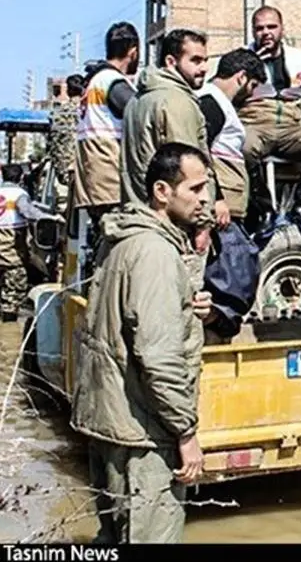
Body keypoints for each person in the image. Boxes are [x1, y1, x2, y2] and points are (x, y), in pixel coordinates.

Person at [70, 142, 212, 544]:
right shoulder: (154, 253)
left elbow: (124, 320)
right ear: (162, 192)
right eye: (196, 189)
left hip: (111, 422)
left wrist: (185, 304)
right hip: (143, 433)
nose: (204, 198)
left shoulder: (123, 240)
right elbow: (158, 356)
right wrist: (186, 433)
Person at [120, 28, 215, 278]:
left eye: (205, 60)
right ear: (171, 62)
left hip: (138, 220)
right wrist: (202, 223)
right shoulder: (176, 102)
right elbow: (189, 174)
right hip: (173, 229)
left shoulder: (137, 100)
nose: (203, 68)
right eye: (195, 60)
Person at [241, 6, 301, 223]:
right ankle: (263, 208)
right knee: (243, 146)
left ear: (282, 29)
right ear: (252, 31)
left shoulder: (299, 58)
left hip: (291, 126)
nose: (266, 32)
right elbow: (221, 90)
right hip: (255, 125)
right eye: (260, 28)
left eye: (271, 27)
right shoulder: (242, 57)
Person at [197, 48, 265, 341]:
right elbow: (200, 153)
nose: (250, 96)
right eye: (251, 87)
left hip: (224, 213)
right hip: (219, 214)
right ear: (241, 77)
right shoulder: (213, 103)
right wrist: (217, 198)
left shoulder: (218, 103)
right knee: (232, 279)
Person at [75, 22, 141, 231]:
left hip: (95, 178)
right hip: (110, 178)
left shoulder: (94, 81)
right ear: (133, 51)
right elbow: (140, 114)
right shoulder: (112, 81)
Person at [0, 163, 44, 321]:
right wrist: (50, 218)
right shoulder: (19, 194)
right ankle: (8, 322)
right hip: (12, 249)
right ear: (21, 177)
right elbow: (28, 212)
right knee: (15, 286)